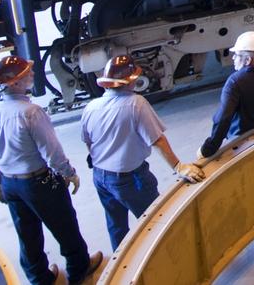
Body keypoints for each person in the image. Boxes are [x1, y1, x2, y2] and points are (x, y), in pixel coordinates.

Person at [0, 55, 102, 285]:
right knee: (65, 226)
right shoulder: (31, 113)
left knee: (27, 235)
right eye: (27, 73)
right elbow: (51, 151)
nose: (33, 75)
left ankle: (40, 279)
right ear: (14, 83)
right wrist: (68, 172)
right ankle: (79, 271)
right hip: (39, 182)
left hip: (10, 183)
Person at [81, 55, 203, 250]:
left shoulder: (91, 107)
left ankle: (118, 264)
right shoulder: (136, 103)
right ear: (130, 81)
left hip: (100, 177)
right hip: (130, 179)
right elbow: (157, 140)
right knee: (155, 221)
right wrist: (179, 166)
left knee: (116, 225)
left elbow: (89, 142)